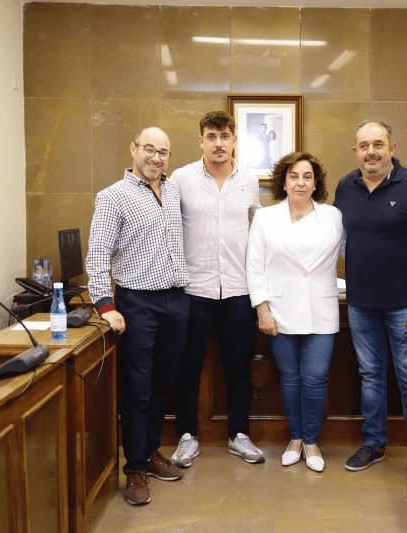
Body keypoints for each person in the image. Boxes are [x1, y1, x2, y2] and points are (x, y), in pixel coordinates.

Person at [334, 120, 407, 472]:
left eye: (378, 144)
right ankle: (374, 444)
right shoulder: (345, 187)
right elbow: (339, 238)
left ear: (392, 148)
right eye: (364, 146)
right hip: (360, 304)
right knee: (370, 375)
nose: (371, 152)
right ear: (355, 151)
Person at [85, 127, 190, 506]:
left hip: (176, 300)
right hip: (137, 304)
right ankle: (134, 469)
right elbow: (98, 254)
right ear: (134, 149)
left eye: (163, 152)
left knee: (163, 384)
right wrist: (105, 305)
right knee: (137, 388)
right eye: (150, 149)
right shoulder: (112, 196)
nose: (156, 158)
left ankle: (149, 451)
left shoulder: (173, 190)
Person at [169, 110, 264, 467]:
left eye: (225, 136)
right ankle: (187, 436)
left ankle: (239, 435)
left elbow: (258, 231)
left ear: (235, 140)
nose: (218, 143)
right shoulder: (181, 178)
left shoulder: (249, 181)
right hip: (194, 290)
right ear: (201, 141)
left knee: (238, 367)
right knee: (188, 367)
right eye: (211, 136)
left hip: (239, 290)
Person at [247, 152, 343, 473]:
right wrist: (262, 310)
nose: (300, 183)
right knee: (289, 378)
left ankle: (312, 442)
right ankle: (296, 439)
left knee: (315, 377)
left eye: (307, 176)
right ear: (284, 182)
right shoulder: (265, 218)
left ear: (316, 183)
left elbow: (351, 252)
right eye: (294, 176)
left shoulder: (333, 216)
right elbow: (254, 266)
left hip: (322, 308)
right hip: (280, 310)